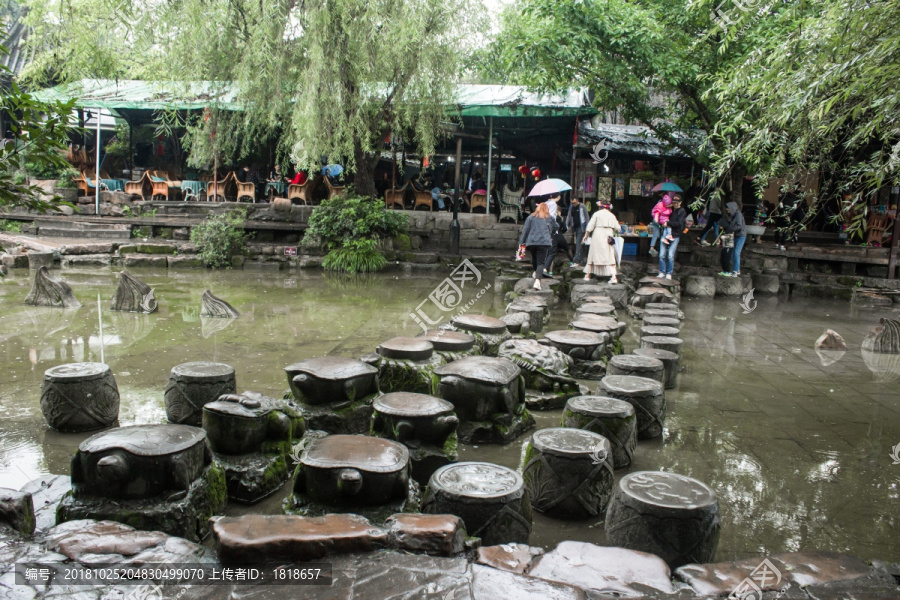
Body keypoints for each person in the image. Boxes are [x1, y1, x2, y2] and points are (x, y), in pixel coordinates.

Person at [518, 202, 554, 290]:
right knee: (541, 262)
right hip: (544, 242)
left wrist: (521, 243)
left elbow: (525, 231)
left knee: (534, 258)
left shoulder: (531, 217)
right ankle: (537, 281)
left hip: (532, 242)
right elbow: (554, 227)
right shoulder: (549, 218)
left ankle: (535, 273)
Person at [582, 200, 620, 283]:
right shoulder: (612, 215)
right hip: (608, 235)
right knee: (609, 255)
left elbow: (590, 225)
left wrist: (586, 235)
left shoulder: (597, 214)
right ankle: (613, 276)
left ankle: (587, 274)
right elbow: (618, 228)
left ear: (600, 206)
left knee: (593, 254)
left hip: (598, 234)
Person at [658, 196, 687, 280]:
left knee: (670, 255)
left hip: (675, 235)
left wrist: (668, 223)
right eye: (674, 202)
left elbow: (679, 223)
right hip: (665, 234)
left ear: (680, 202)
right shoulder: (670, 209)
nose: (675, 204)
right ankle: (662, 272)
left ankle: (669, 273)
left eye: (677, 203)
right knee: (661, 255)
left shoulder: (682, 211)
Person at [719, 201, 747, 277]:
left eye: (728, 209)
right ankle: (736, 269)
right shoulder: (732, 215)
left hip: (741, 236)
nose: (727, 211)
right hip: (734, 235)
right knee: (731, 254)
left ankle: (735, 271)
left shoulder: (738, 215)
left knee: (736, 253)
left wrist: (730, 230)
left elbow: (739, 226)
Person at [544, 209, 571, 276]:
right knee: (567, 248)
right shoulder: (559, 218)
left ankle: (550, 271)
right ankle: (572, 261)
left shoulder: (546, 218)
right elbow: (564, 228)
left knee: (550, 254)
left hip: (550, 236)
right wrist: (561, 231)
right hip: (559, 236)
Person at [566, 196, 589, 266]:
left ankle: (575, 259)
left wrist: (588, 229)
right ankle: (581, 259)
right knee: (578, 243)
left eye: (574, 203)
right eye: (572, 203)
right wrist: (567, 224)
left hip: (581, 227)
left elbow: (587, 217)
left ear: (577, 201)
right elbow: (569, 216)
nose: (573, 205)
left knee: (578, 242)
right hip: (574, 226)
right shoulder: (571, 207)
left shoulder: (582, 207)